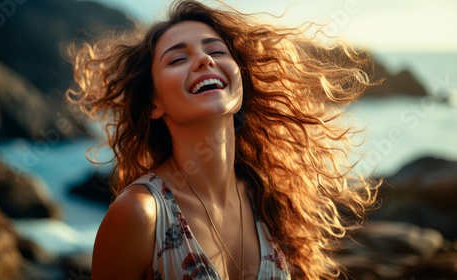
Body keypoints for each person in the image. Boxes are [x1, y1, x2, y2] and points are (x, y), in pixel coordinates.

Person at [66, 0, 380, 279]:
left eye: (216, 51)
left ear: (239, 79)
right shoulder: (140, 214)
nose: (204, 60)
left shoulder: (270, 200)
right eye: (177, 59)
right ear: (153, 104)